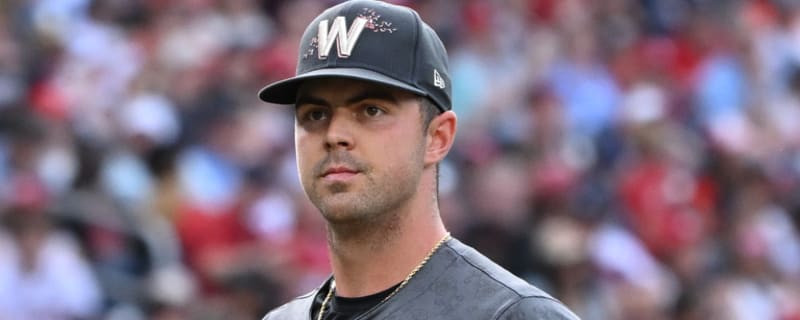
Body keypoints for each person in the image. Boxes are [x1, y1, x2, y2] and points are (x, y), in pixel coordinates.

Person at [258, 1, 580, 319]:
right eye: (315, 114)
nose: (334, 134)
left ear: (437, 138)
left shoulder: (512, 314)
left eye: (371, 110)